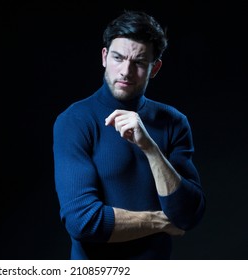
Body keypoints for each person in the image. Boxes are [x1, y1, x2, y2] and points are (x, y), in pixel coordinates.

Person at [52, 10, 206, 260]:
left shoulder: (173, 122)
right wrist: (159, 221)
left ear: (154, 68)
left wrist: (150, 148)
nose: (125, 71)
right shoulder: (74, 121)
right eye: (118, 58)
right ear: (104, 57)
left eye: (138, 62)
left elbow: (189, 215)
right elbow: (82, 221)